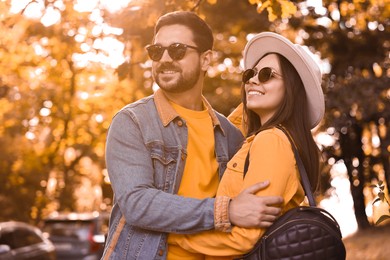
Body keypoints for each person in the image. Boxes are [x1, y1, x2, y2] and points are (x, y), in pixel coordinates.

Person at [101, 12, 283, 259]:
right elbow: (137, 204)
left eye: (176, 50)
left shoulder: (230, 135)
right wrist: (225, 210)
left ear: (205, 59)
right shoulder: (132, 122)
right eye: (156, 51)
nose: (164, 59)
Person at [171, 32, 325, 258]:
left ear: (292, 88)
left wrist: (170, 236)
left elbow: (243, 238)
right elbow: (225, 128)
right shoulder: (264, 139)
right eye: (250, 74)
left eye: (266, 75)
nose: (253, 79)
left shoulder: (271, 141)